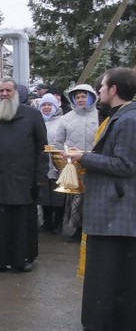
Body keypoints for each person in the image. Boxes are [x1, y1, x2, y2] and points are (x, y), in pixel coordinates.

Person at [66, 68, 136, 331]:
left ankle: (107, 323)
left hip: (115, 209)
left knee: (108, 271)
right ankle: (110, 322)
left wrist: (83, 157)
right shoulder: (121, 116)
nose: (100, 90)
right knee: (111, 271)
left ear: (114, 89)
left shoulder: (128, 120)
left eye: (103, 86)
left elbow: (126, 165)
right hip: (111, 210)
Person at [0, 78, 48, 273]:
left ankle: (22, 259)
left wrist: (40, 178)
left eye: (8, 90)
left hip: (23, 179)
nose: (4, 94)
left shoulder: (32, 116)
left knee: (22, 222)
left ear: (16, 93)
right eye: (1, 91)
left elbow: (42, 148)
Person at [54, 83, 99, 243]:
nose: (80, 99)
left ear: (92, 97)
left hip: (95, 165)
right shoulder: (66, 118)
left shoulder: (100, 116)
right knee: (76, 200)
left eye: (83, 96)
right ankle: (78, 230)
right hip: (74, 166)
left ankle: (93, 231)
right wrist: (63, 160)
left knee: (93, 198)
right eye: (77, 97)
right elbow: (58, 142)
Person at [36, 94, 66, 235]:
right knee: (44, 196)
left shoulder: (62, 120)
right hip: (43, 163)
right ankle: (46, 222)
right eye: (44, 105)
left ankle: (58, 223)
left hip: (57, 162)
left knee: (58, 195)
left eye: (49, 105)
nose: (46, 108)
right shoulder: (37, 120)